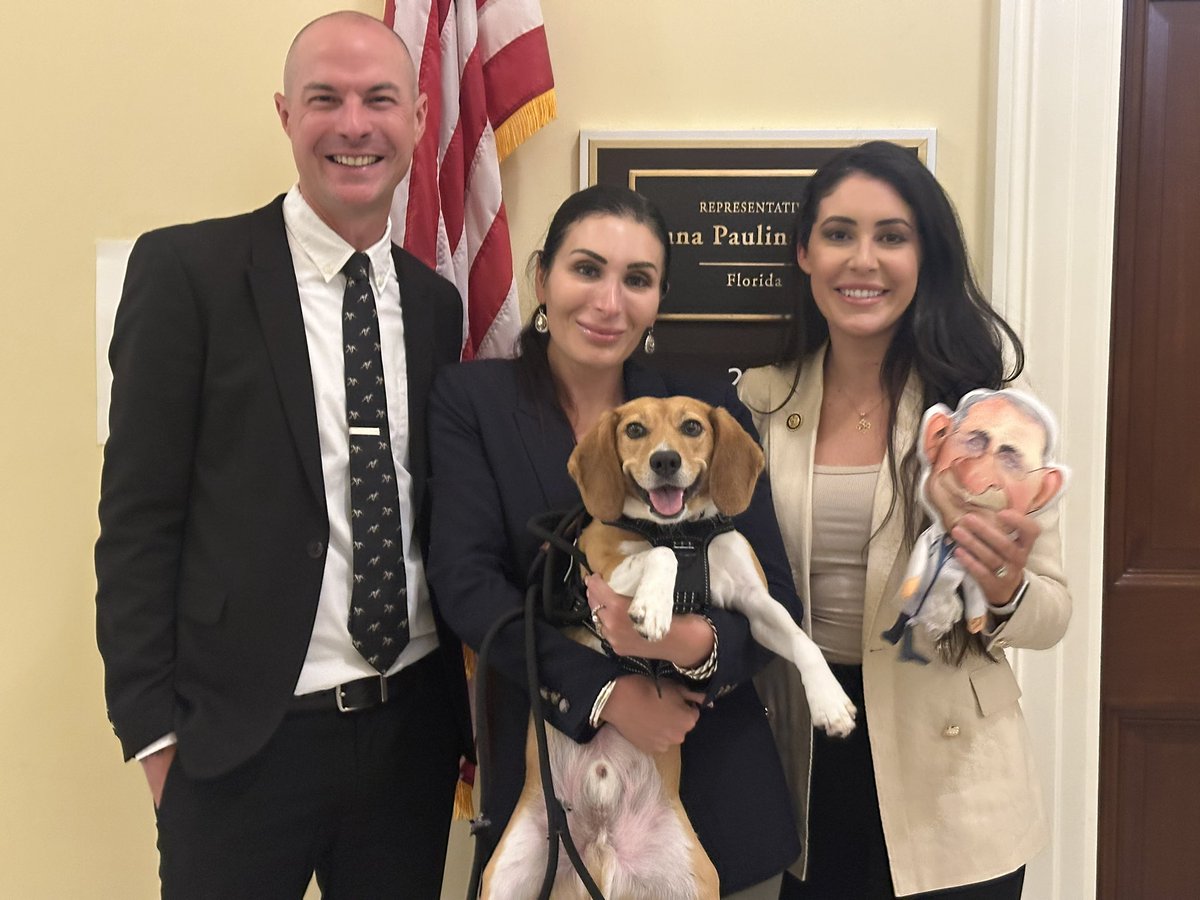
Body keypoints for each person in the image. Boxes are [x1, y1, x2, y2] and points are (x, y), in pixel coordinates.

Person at [95, 12, 470, 898]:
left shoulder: (433, 304)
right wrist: (155, 739)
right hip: (239, 746)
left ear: (418, 117)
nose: (353, 124)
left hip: (407, 733)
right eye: (324, 100)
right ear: (284, 115)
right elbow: (138, 520)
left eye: (380, 99)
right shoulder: (190, 273)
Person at [427, 184, 802, 898]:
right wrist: (606, 693)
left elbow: (772, 600)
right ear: (543, 279)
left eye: (637, 280)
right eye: (586, 269)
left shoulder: (707, 413)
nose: (608, 301)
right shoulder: (472, 402)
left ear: (659, 298)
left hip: (710, 790)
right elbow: (467, 585)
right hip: (553, 795)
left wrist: (690, 650)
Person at [736, 140, 1070, 899]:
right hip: (806, 765)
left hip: (950, 780)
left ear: (926, 255)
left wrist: (1009, 588)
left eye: (892, 235)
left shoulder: (989, 412)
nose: (864, 260)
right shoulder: (756, 403)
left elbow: (1054, 613)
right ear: (803, 253)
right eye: (839, 233)